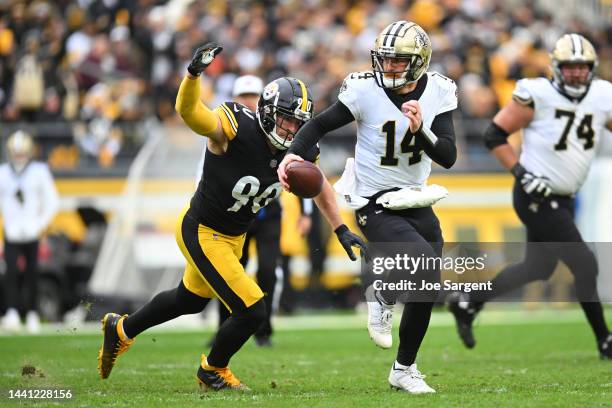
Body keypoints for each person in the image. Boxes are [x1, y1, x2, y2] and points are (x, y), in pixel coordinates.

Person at [97, 43, 366, 390]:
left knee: (189, 300)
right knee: (253, 309)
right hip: (202, 229)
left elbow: (321, 188)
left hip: (233, 237)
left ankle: (120, 329)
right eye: (285, 119)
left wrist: (341, 227)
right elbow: (191, 114)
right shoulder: (236, 125)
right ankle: (213, 370)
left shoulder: (299, 148)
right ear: (268, 112)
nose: (289, 130)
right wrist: (193, 76)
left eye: (297, 123)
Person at [278, 21, 458, 394]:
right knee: (421, 262)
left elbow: (449, 155)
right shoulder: (363, 89)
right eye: (384, 60)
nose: (388, 68)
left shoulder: (439, 90)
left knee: (427, 286)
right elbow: (319, 125)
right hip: (374, 201)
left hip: (415, 197)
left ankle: (403, 369)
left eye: (397, 62)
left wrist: (422, 130)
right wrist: (292, 155)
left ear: (419, 62)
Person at [448, 33, 612, 359]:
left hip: (563, 197)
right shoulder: (537, 94)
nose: (577, 73)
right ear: (556, 67)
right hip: (535, 194)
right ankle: (605, 340)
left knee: (537, 268)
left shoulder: (602, 95)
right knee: (585, 264)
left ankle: (468, 301)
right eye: (570, 67)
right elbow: (494, 134)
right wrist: (522, 173)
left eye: (583, 67)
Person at [200, 74, 313, 347]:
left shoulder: (282, 134)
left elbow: (304, 172)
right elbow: (204, 174)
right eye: (245, 97)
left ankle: (263, 330)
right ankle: (224, 328)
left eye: (253, 96)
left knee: (266, 270)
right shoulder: (231, 126)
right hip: (234, 214)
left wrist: (306, 211)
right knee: (231, 271)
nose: (249, 101)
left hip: (267, 213)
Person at [0, 130, 59, 333]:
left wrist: (40, 224)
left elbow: (52, 200)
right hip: (12, 231)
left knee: (33, 274)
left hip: (32, 231)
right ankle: (13, 312)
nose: (18, 157)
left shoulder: (39, 171)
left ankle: (33, 313)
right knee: (11, 274)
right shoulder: (3, 172)